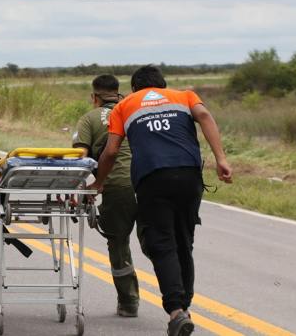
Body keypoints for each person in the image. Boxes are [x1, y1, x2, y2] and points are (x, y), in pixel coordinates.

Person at [92, 65, 233, 336]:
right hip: (190, 176)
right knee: (183, 242)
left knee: (161, 242)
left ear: (134, 88)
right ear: (163, 85)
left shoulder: (124, 106)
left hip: (153, 178)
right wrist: (221, 159)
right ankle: (184, 308)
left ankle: (177, 310)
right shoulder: (185, 96)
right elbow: (205, 115)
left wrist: (98, 182)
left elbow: (111, 151)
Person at [72, 74, 139, 317]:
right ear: (118, 93)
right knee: (159, 244)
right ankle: (178, 305)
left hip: (118, 185)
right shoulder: (134, 111)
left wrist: (80, 188)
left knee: (118, 242)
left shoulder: (90, 119)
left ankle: (129, 303)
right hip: (150, 182)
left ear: (94, 97)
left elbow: (80, 157)